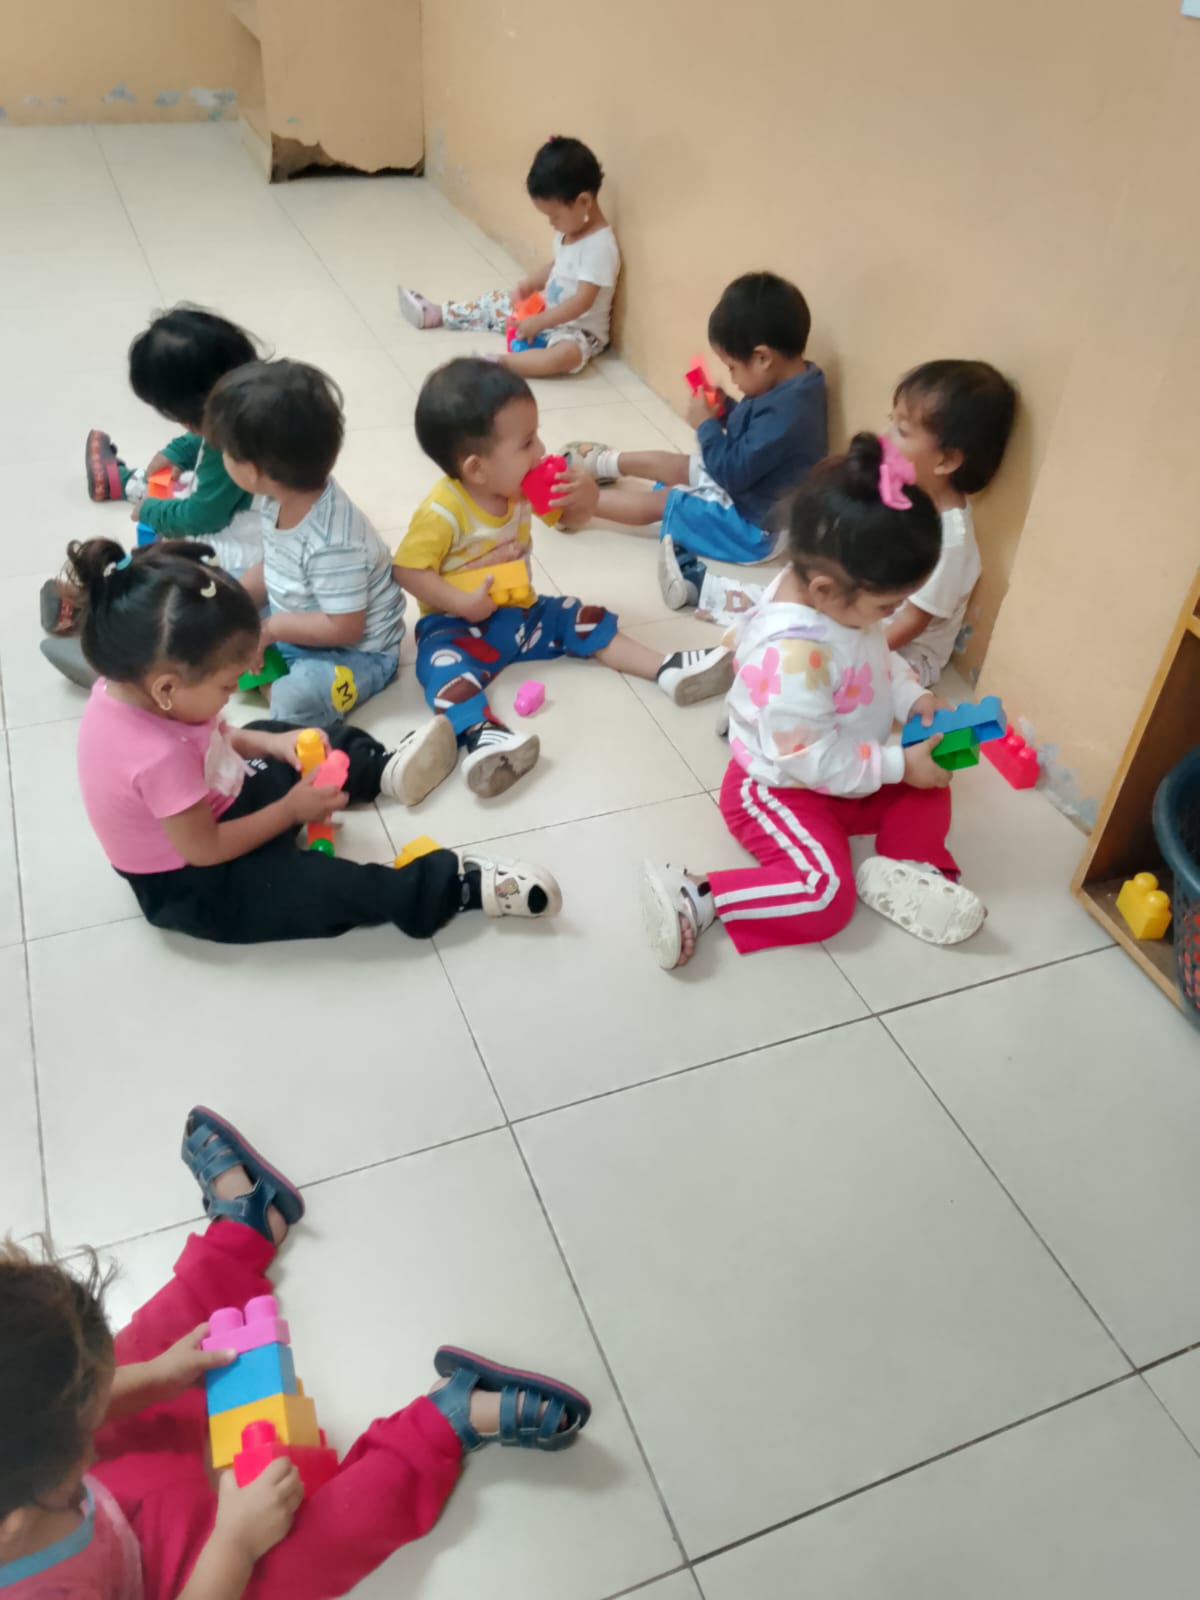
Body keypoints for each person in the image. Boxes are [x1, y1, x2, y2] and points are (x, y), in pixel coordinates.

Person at [0, 1104, 592, 1600]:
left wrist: (151, 1377)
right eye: (83, 1426)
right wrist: (234, 1542)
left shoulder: (34, 1466)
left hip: (98, 1483)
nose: (100, 1406)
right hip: (173, 1580)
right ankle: (446, 1421)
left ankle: (246, 1231)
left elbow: (74, 1399)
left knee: (148, 1348)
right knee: (299, 1562)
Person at [66, 536, 561, 944]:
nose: (233, 694)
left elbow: (215, 738)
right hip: (195, 878)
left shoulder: (146, 686)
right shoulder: (154, 755)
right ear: (167, 688)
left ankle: (382, 770)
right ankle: (450, 888)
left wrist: (273, 747)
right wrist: (290, 811)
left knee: (285, 735)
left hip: (216, 798)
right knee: (319, 889)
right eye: (226, 686)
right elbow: (206, 847)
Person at [641, 433, 988, 970]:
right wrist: (896, 765)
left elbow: (877, 661)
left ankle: (912, 870)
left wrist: (915, 700)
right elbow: (812, 761)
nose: (893, 615)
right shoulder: (795, 659)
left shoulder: (844, 601)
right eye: (888, 605)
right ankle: (699, 894)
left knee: (933, 774)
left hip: (844, 765)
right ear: (825, 590)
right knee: (826, 898)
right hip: (782, 786)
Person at [392, 359, 734, 798]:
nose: (541, 451)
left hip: (521, 614)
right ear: (476, 469)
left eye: (537, 435)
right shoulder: (443, 511)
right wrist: (461, 604)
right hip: (456, 627)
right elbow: (407, 569)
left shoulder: (521, 488)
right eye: (527, 443)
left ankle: (666, 669)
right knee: (439, 666)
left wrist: (586, 499)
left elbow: (568, 519)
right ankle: (482, 736)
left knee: (580, 616)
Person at [664, 359, 1018, 689]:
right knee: (797, 582)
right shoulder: (906, 493)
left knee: (812, 654)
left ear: (947, 460)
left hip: (901, 653)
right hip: (860, 611)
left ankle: (753, 672)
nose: (885, 436)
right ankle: (711, 596)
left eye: (902, 430)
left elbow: (911, 624)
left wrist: (852, 649)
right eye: (891, 420)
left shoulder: (951, 543)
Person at [41, 306, 266, 688]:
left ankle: (121, 662)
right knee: (177, 503)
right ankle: (105, 604)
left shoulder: (233, 448)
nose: (183, 425)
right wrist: (177, 451)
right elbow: (202, 445)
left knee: (174, 576)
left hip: (247, 553)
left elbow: (202, 515)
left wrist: (155, 511)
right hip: (241, 524)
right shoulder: (247, 406)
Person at [565, 272, 827, 567]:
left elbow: (732, 471)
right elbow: (755, 436)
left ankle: (580, 505)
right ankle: (604, 462)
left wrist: (706, 426)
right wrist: (724, 409)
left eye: (732, 367)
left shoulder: (788, 414)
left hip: (753, 528)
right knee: (678, 464)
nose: (732, 377)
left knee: (666, 499)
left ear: (762, 358)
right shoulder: (792, 382)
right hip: (748, 487)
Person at [204, 360, 405, 730]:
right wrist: (233, 601)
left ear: (253, 471)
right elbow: (276, 565)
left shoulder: (333, 543)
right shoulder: (280, 495)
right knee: (217, 592)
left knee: (296, 698)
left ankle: (270, 684)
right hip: (297, 616)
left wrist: (271, 630)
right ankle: (257, 663)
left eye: (226, 452)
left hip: (353, 652)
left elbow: (346, 628)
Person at [398, 136, 620, 379]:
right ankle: (438, 313)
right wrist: (529, 285)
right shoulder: (571, 229)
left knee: (565, 355)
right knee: (497, 301)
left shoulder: (600, 247)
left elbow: (581, 302)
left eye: (554, 216)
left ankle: (502, 364)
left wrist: (541, 322)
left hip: (577, 330)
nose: (551, 223)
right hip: (548, 311)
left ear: (584, 201)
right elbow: (559, 266)